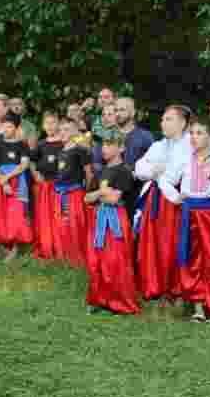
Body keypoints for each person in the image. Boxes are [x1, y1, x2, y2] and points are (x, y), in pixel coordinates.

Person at [161, 116, 210, 323]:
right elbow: (165, 179)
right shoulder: (184, 159)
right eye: (192, 133)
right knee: (193, 258)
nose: (194, 137)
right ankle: (198, 306)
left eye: (200, 133)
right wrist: (176, 197)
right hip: (190, 212)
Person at [135, 105, 193, 302]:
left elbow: (176, 172)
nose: (163, 123)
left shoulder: (189, 145)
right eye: (162, 119)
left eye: (168, 119)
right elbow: (140, 167)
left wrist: (159, 171)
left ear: (182, 123)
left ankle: (175, 288)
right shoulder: (159, 145)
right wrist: (154, 171)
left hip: (174, 201)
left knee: (172, 242)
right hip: (156, 198)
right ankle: (154, 284)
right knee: (154, 241)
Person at [84, 131, 140, 315]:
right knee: (96, 260)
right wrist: (102, 192)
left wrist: (100, 194)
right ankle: (99, 299)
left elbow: (115, 199)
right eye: (103, 145)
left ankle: (119, 302)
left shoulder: (124, 170)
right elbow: (86, 198)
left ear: (121, 148)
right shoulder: (100, 171)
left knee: (115, 261)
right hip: (98, 218)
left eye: (110, 145)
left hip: (115, 220)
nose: (104, 149)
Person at [0, 113, 34, 262]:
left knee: (16, 215)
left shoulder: (22, 144)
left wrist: (8, 178)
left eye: (9, 126)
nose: (6, 129)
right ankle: (4, 246)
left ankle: (15, 248)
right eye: (4, 126)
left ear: (16, 128)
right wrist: (3, 182)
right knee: (0, 214)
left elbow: (24, 164)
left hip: (17, 183)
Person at [54, 119, 92, 268]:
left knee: (75, 225)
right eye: (61, 129)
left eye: (67, 130)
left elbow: (88, 174)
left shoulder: (80, 150)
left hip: (75, 194)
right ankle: (65, 255)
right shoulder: (61, 151)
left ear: (75, 132)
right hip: (60, 194)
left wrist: (87, 193)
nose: (63, 133)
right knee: (63, 224)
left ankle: (78, 258)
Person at [31, 112, 64, 260]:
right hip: (45, 186)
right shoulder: (41, 144)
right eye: (47, 123)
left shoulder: (64, 142)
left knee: (60, 217)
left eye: (53, 122)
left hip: (60, 187)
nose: (50, 126)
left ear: (59, 124)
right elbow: (31, 160)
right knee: (45, 217)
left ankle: (60, 248)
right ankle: (46, 245)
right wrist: (35, 174)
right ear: (43, 126)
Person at [94, 97, 152, 170]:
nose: (117, 114)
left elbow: (151, 163)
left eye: (122, 110)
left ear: (133, 113)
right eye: (116, 110)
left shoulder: (145, 136)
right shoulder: (105, 134)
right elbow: (97, 162)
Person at [91, 104, 119, 176]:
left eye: (110, 114)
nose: (105, 117)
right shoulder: (98, 132)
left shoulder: (118, 133)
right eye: (103, 115)